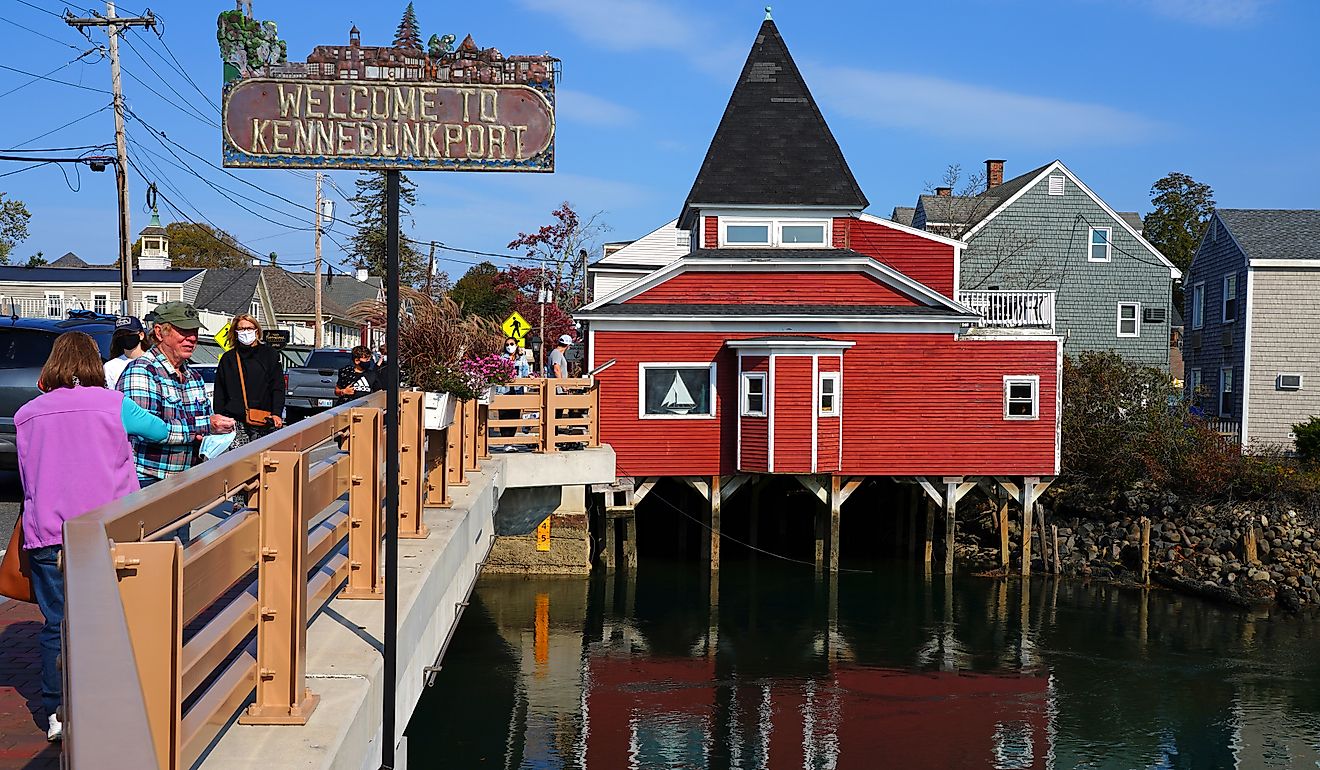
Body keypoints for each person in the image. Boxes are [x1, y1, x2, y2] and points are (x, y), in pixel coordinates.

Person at [15, 331, 168, 742]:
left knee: (56, 624)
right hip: (108, 530)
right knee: (113, 620)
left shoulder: (27, 414)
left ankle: (57, 713)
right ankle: (109, 702)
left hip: (48, 532)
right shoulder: (114, 404)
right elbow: (159, 431)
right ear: (95, 364)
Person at [118, 301, 235, 490]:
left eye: (194, 332)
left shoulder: (193, 376)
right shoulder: (141, 371)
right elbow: (148, 432)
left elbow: (201, 426)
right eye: (184, 331)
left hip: (184, 480)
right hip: (147, 481)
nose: (192, 338)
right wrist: (205, 426)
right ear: (159, 332)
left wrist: (212, 434)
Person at [213, 313, 285, 447]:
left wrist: (277, 413)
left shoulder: (269, 355)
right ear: (235, 332)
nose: (245, 332)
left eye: (249, 328)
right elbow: (220, 391)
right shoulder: (228, 358)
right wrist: (220, 416)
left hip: (264, 420)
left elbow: (278, 387)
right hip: (234, 421)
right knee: (239, 462)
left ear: (257, 331)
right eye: (241, 329)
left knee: (262, 461)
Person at [497, 336, 531, 439]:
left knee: (515, 415)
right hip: (504, 391)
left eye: (512, 344)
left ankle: (511, 440)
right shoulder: (501, 358)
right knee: (504, 415)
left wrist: (530, 375)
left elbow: (526, 372)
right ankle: (505, 440)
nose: (509, 346)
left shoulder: (522, 358)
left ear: (516, 345)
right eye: (507, 344)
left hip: (517, 390)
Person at [103, 315, 147, 390]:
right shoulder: (110, 367)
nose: (125, 337)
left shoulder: (153, 361)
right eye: (120, 335)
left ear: (141, 335)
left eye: (129, 333)